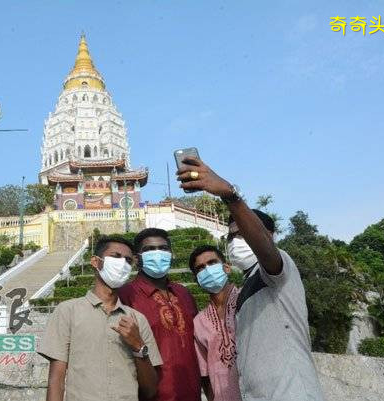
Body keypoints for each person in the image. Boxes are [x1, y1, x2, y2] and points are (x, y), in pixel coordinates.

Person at [176, 157, 324, 401]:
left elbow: (266, 251)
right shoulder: (245, 291)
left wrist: (230, 196)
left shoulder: (277, 272)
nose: (236, 242)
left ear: (269, 235)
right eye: (231, 237)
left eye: (243, 233)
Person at [38, 236, 163, 401]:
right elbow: (57, 379)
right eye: (116, 256)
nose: (122, 264)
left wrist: (138, 347)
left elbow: (150, 390)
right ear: (96, 262)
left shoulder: (137, 320)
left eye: (127, 260)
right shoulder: (68, 311)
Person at [118, 228, 201, 401]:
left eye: (163, 248)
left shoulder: (183, 293)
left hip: (192, 392)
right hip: (151, 395)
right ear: (137, 258)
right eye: (149, 250)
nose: (158, 253)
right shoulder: (125, 295)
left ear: (171, 254)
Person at [189, 245, 242, 401]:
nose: (207, 270)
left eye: (212, 263)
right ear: (197, 280)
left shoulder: (248, 302)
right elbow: (204, 374)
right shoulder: (199, 322)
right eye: (200, 268)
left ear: (226, 268)